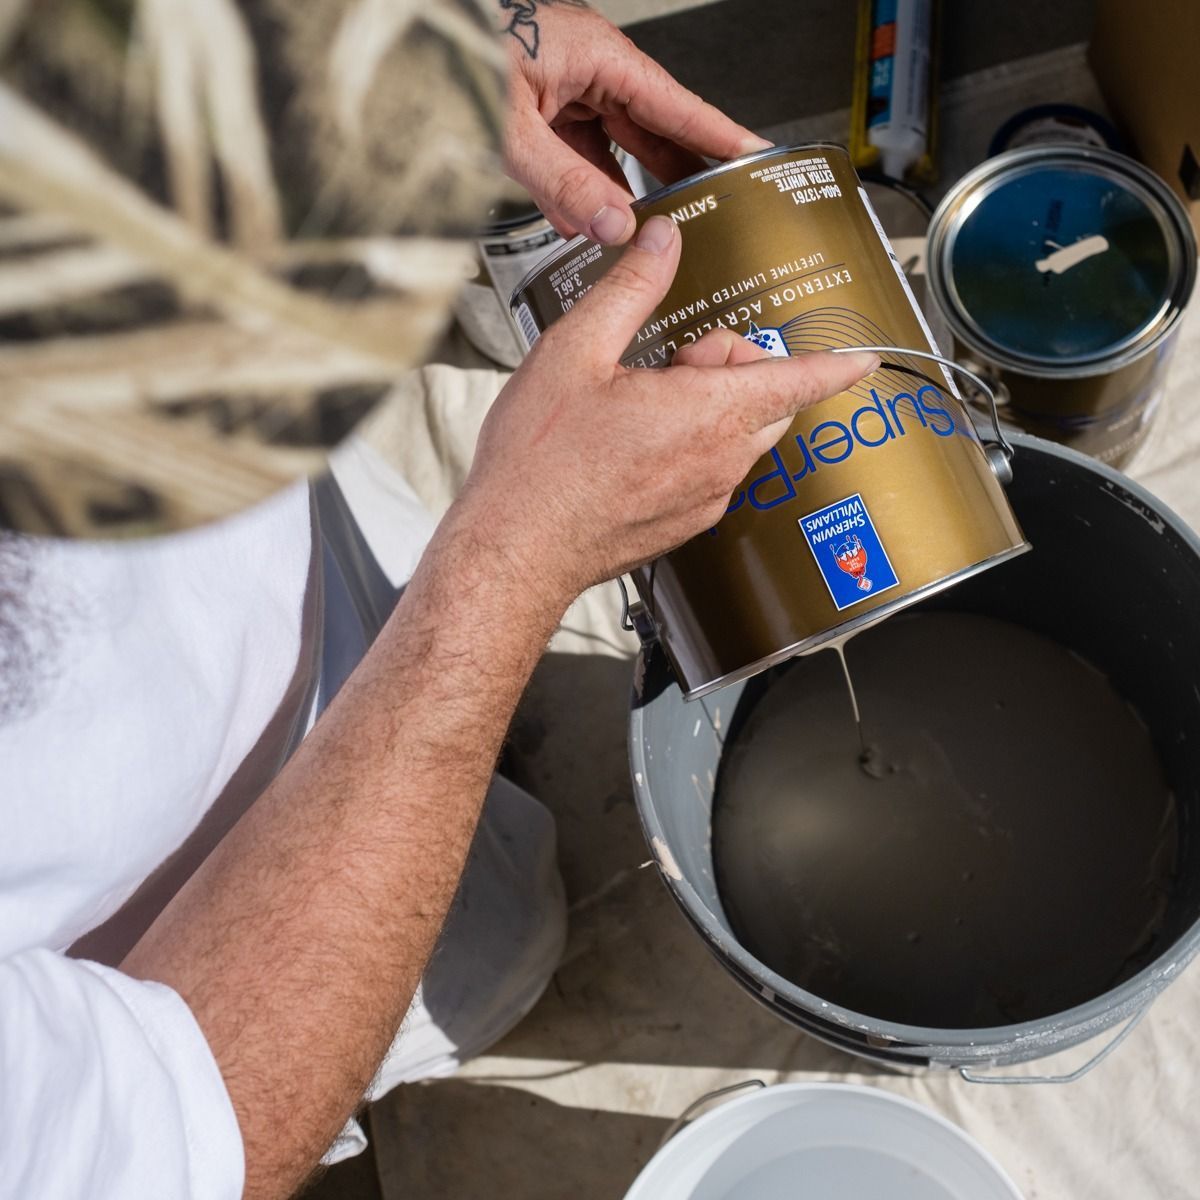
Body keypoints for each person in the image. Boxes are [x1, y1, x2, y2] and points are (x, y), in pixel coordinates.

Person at [0, 4, 879, 1197]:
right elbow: (188, 1117)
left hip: (270, 524)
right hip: (214, 916)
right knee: (484, 956)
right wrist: (509, 564)